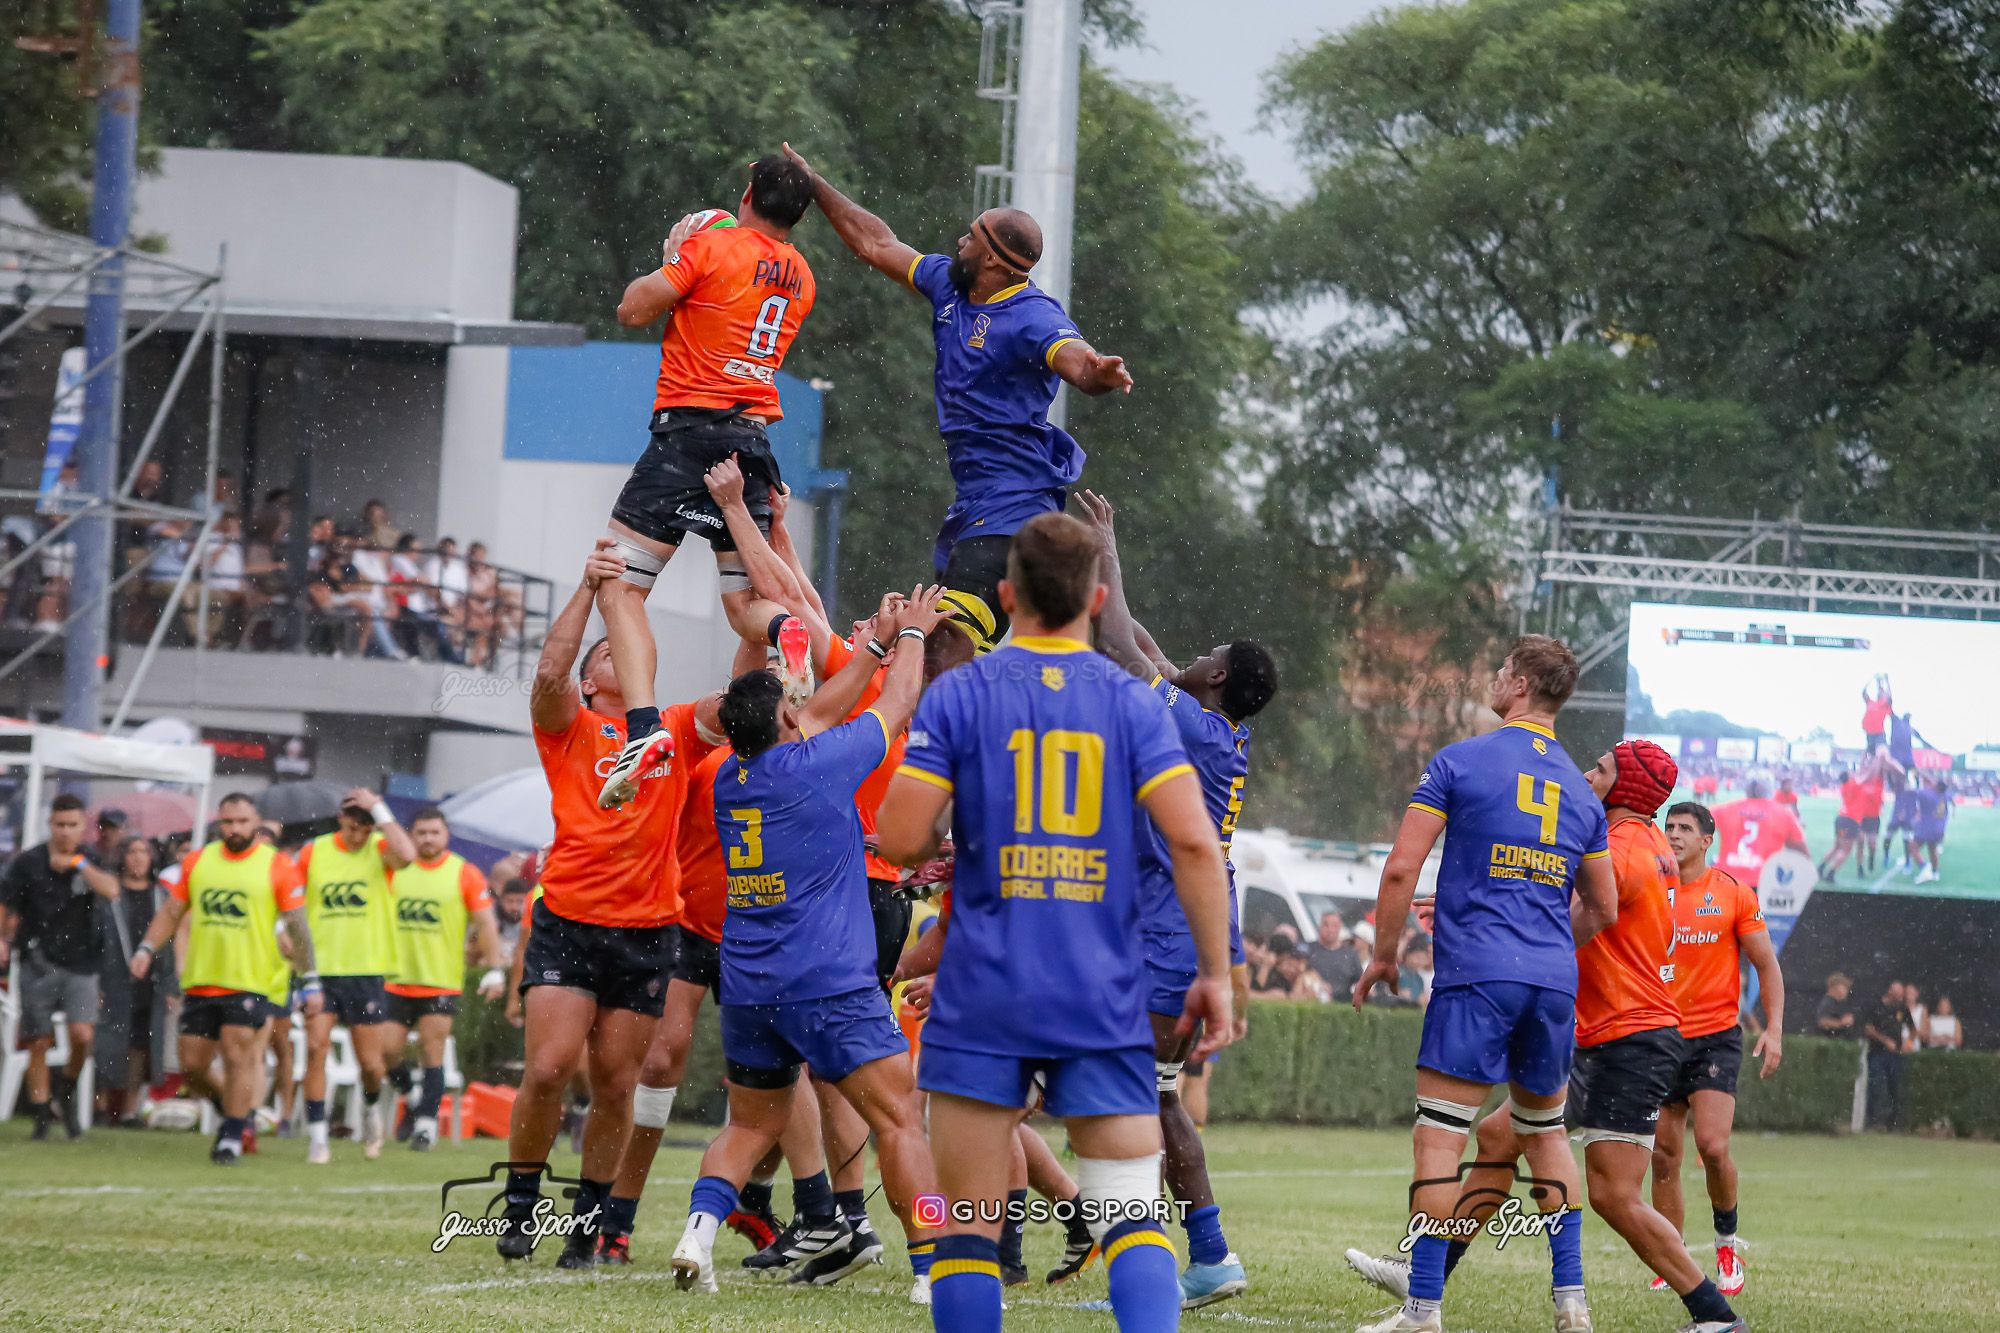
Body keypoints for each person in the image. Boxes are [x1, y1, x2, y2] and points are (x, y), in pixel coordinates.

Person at [876, 512, 1238, 1332]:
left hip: (984, 991)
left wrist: (957, 822)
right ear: (1098, 596)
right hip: (1100, 993)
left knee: (967, 1231)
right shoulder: (1136, 704)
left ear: (1006, 596)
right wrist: (1215, 972)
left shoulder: (963, 692)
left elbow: (899, 838)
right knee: (1130, 1216)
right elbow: (1192, 839)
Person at [668, 586, 951, 1301]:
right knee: (899, 1119)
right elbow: (896, 705)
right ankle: (931, 1266)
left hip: (753, 985)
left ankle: (695, 1235)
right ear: (790, 716)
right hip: (829, 982)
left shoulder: (732, 775)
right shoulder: (821, 762)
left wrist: (874, 646)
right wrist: (912, 637)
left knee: (750, 1124)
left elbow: (818, 710)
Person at [1342, 637, 1617, 1333]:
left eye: (1499, 670)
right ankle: (1572, 1301)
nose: (1493, 678)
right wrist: (1544, 949)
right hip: (1554, 981)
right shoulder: (1582, 793)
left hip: (1475, 976)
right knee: (1546, 1135)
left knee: (1440, 1138)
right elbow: (1605, 906)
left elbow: (1402, 869)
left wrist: (1383, 954)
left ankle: (1423, 1308)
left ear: (1519, 683)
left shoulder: (1459, 760)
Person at [782, 143, 1134, 647]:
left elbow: (1075, 360)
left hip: (1014, 502)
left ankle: (942, 725)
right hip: (977, 502)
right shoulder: (950, 286)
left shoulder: (1034, 315)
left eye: (969, 237)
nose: (959, 240)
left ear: (991, 257)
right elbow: (876, 243)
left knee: (943, 643)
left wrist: (1101, 372)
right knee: (941, 645)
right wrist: (813, 182)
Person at [1077, 487, 1279, 1308]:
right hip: (1174, 928)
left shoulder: (1193, 729)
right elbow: (1151, 655)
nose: (1188, 657)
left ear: (1220, 676)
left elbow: (1125, 646)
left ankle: (1164, 1261)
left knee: (1133, 1098)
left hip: (1168, 934)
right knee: (1147, 1096)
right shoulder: (1217, 726)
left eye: (1207, 652)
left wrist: (1106, 549)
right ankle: (1202, 1255)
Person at [497, 542, 725, 1267]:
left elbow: (735, 708)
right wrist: (590, 588)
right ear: (597, 677)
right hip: (568, 919)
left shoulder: (674, 731)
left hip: (648, 928)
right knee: (547, 1069)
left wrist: (770, 638)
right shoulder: (571, 728)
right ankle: (523, 1201)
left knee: (618, 1083)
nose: (616, 659)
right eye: (608, 653)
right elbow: (548, 669)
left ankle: (589, 1227)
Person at [594, 155, 818, 810]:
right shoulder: (801, 276)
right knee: (745, 607)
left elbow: (633, 308)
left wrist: (677, 253)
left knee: (620, 583)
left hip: (685, 435)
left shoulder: (713, 246)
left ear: (747, 194)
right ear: (797, 218)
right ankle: (787, 635)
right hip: (750, 440)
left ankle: (642, 730)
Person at [131, 793, 320, 1164]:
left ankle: (231, 1137)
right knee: (192, 1065)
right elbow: (172, 911)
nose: (235, 829)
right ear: (218, 823)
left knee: (238, 1055)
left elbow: (298, 928)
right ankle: (237, 1114)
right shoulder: (199, 861)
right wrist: (146, 949)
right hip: (203, 978)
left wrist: (309, 976)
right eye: (228, 822)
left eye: (242, 822)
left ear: (255, 823)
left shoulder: (277, 865)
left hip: (250, 979)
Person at [1652, 800, 1787, 1299]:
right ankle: (1671, 1258)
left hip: (1714, 1036)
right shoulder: (1649, 887)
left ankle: (1727, 1241)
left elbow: (1766, 965)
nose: (1675, 834)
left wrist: (1773, 1029)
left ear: (1707, 840)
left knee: (1712, 1146)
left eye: (1685, 828)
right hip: (1659, 1035)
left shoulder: (1732, 892)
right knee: (1664, 1155)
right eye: (1669, 826)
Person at [295, 786, 414, 1163]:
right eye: (354, 818)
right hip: (321, 969)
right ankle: (318, 1137)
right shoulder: (314, 851)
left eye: (366, 821)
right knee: (316, 1049)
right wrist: (286, 935)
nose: (360, 827)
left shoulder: (381, 849)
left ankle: (371, 1107)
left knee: (371, 1065)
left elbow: (408, 856)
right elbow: (291, 899)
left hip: (365, 970)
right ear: (341, 818)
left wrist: (379, 808)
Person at [381, 808, 505, 1151]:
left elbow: (486, 924)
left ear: (445, 835)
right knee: (386, 1052)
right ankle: (414, 1095)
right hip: (395, 977)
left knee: (431, 1051)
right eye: (421, 832)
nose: (427, 839)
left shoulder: (463, 873)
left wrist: (495, 968)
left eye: (434, 832)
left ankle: (425, 1124)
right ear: (411, 834)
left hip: (439, 980)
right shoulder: (395, 868)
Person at [0, 793, 122, 1139]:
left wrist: (79, 865)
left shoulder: (91, 859)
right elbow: (7, 904)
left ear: (83, 826)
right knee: (37, 1039)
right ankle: (41, 1115)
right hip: (37, 957)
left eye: (72, 825)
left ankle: (66, 1089)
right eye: (59, 825)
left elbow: (113, 890)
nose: (65, 832)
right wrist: (3, 940)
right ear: (50, 825)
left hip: (81, 961)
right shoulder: (28, 861)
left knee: (82, 1035)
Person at [1709, 772, 1808, 888]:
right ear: (1770, 788)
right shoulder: (1784, 814)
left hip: (1727, 879)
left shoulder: (1724, 809)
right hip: (1765, 882)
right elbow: (1803, 854)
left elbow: (1692, 830)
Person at [1819, 755, 1888, 882]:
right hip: (1850, 822)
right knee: (1845, 850)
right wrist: (1878, 760)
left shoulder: (1845, 786)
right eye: (1851, 773)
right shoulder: (1855, 785)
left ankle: (1821, 868)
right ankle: (1831, 873)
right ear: (1850, 777)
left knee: (1837, 847)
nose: (1854, 773)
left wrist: (1864, 758)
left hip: (1841, 819)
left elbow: (1862, 773)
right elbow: (1869, 773)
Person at [1863, 981, 1910, 1129]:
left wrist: (1908, 1043)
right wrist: (1884, 1040)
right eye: (1898, 993)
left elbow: (1913, 1029)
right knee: (1874, 1086)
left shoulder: (1902, 1008)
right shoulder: (1876, 1006)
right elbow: (1868, 1029)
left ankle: (1894, 1122)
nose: (1900, 997)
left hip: (1896, 1055)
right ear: (1890, 992)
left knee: (1895, 1088)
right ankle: (1871, 1121)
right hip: (1877, 1053)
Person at [1906, 776, 1950, 885]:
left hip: (1927, 828)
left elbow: (1910, 791)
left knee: (1912, 847)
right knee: (1932, 849)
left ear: (1936, 786)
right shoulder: (1944, 795)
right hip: (1939, 828)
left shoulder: (1927, 794)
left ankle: (1924, 867)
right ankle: (1935, 873)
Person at [1861, 675, 1892, 753]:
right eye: (1879, 691)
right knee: (1870, 754)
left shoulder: (1885, 705)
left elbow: (1889, 696)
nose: (1880, 692)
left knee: (1881, 753)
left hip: (1879, 734)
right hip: (1869, 733)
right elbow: (1864, 692)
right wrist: (1871, 680)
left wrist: (1887, 681)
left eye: (1882, 692)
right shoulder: (1871, 703)